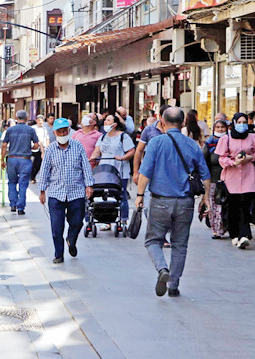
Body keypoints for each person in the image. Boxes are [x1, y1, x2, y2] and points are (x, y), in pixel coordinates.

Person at [136, 107, 210, 297]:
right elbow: (205, 176)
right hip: (185, 203)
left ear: (162, 121)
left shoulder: (155, 143)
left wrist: (139, 196)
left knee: (153, 240)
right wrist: (206, 198)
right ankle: (174, 285)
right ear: (183, 122)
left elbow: (145, 174)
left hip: (160, 201)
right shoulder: (192, 145)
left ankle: (162, 269)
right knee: (180, 245)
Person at [38, 118, 94, 264]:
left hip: (76, 192)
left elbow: (85, 167)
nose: (63, 133)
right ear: (55, 132)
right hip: (56, 194)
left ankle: (71, 239)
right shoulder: (50, 149)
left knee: (77, 222)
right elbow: (44, 171)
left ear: (69, 131)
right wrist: (42, 190)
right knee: (57, 227)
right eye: (60, 131)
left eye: (65, 131)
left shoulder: (77, 146)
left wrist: (89, 185)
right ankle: (59, 254)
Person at [215, 112, 255, 249]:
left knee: (245, 204)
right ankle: (234, 234)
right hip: (232, 177)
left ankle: (244, 234)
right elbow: (221, 158)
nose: (242, 125)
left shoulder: (253, 137)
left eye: (244, 122)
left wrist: (250, 157)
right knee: (233, 206)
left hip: (248, 175)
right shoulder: (227, 139)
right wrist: (233, 162)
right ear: (234, 123)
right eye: (239, 122)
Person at [90, 114, 135, 227]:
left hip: (120, 170)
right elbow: (97, 150)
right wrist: (93, 157)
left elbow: (132, 151)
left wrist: (123, 157)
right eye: (105, 120)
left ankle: (123, 220)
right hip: (104, 170)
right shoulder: (103, 137)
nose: (105, 122)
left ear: (114, 124)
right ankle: (107, 220)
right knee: (105, 195)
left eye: (108, 120)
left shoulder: (123, 137)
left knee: (121, 195)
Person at [1, 110, 40, 215]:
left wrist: (2, 159)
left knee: (12, 182)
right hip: (25, 160)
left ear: (16, 117)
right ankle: (21, 207)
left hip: (12, 159)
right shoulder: (30, 130)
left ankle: (13, 204)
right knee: (23, 184)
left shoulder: (10, 130)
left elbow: (4, 145)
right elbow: (37, 145)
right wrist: (30, 148)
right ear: (27, 118)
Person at [203, 119, 229, 239]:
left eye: (222, 127)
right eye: (217, 127)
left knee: (226, 206)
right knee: (215, 206)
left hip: (229, 179)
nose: (220, 130)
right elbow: (203, 161)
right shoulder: (209, 143)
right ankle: (216, 229)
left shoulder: (231, 141)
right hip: (214, 179)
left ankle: (227, 227)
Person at [31, 115, 49, 183]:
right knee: (32, 163)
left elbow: (47, 138)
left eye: (41, 120)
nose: (40, 122)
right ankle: (32, 177)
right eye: (39, 120)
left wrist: (47, 147)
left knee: (38, 164)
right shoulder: (33, 128)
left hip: (42, 148)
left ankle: (33, 176)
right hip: (34, 147)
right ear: (36, 120)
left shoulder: (44, 129)